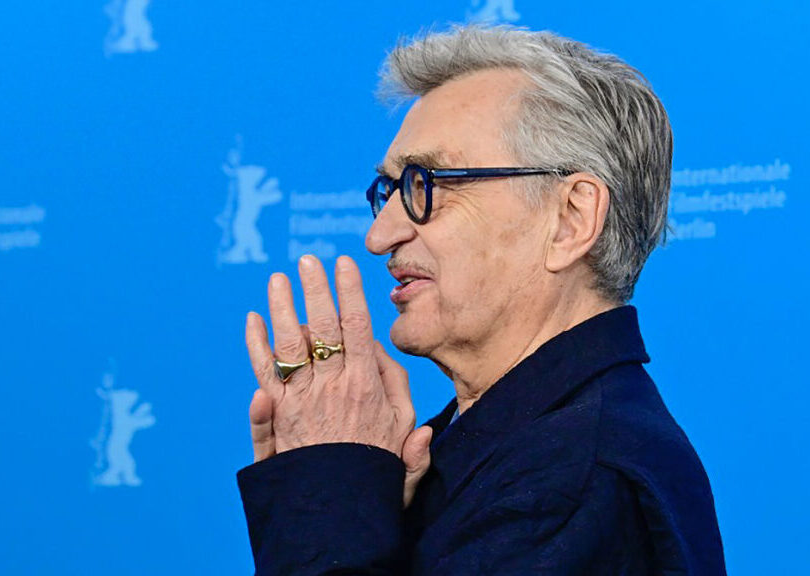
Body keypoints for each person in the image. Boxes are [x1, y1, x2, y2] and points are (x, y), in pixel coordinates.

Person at [237, 25, 726, 575]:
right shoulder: (506, 454)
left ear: (571, 219)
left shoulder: (573, 482)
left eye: (426, 184)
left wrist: (328, 492)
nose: (379, 236)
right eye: (389, 191)